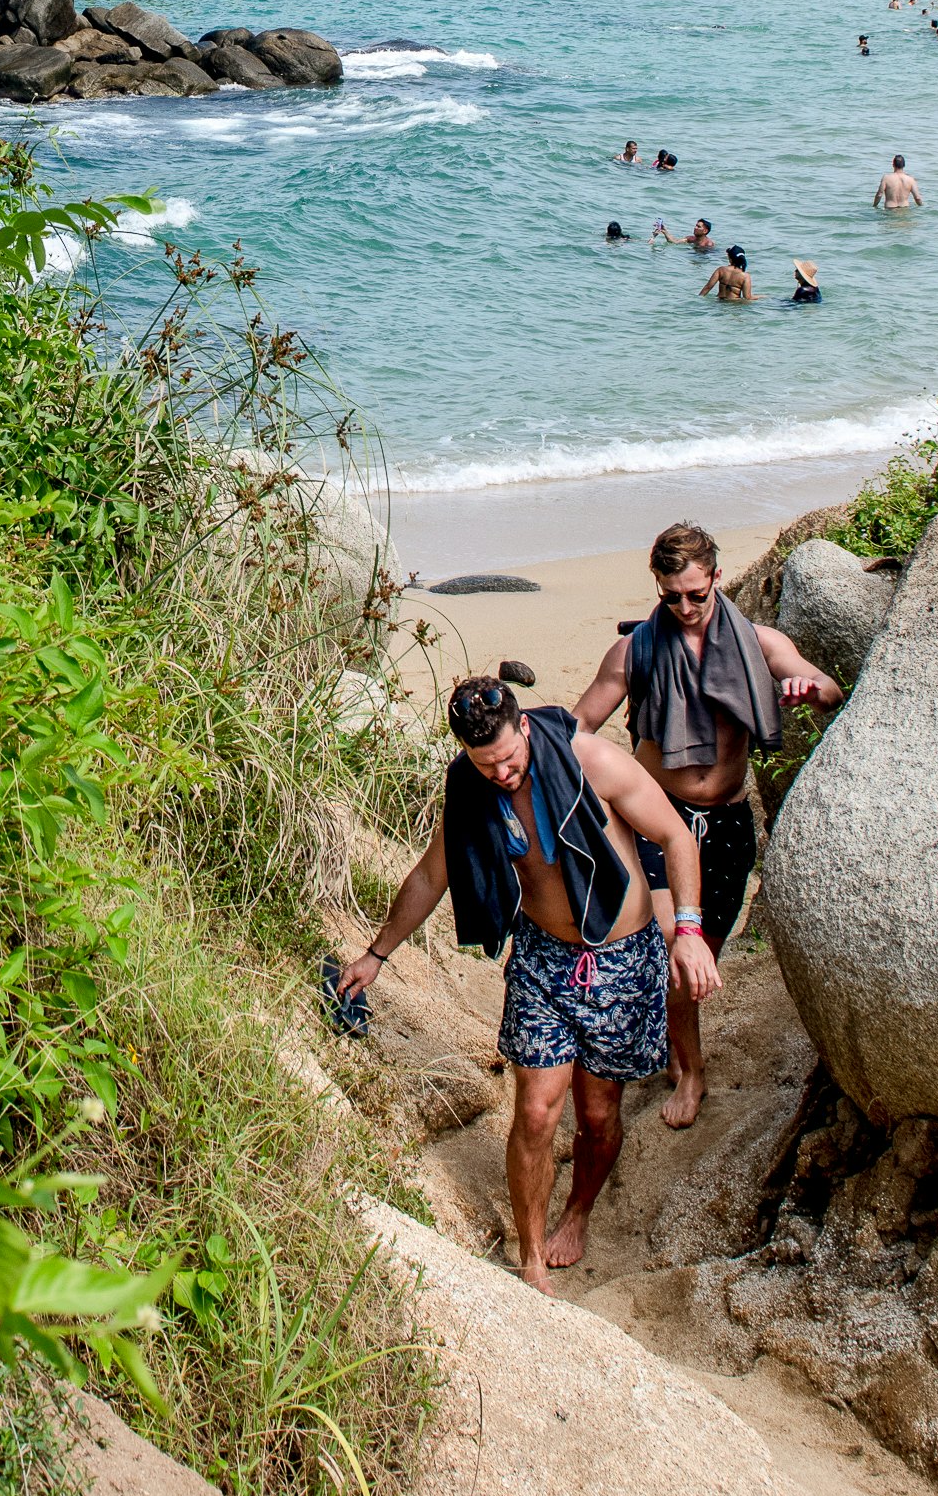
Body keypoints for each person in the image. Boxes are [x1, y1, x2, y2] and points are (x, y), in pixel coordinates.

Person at [334, 672, 718, 1287]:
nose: (503, 774)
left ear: (526, 727)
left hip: (622, 959)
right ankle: (532, 1257)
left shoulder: (589, 759)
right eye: (487, 766)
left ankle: (578, 1210)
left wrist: (691, 933)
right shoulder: (470, 789)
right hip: (543, 961)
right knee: (537, 1113)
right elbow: (432, 877)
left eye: (510, 758)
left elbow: (674, 835)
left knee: (597, 1117)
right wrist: (377, 953)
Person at [575, 523, 840, 1122]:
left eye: (697, 593)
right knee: (679, 947)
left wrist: (806, 688)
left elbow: (830, 688)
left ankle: (675, 1039)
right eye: (673, 597)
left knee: (699, 965)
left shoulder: (758, 641)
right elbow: (578, 731)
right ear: (659, 589)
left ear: (717, 579)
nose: (686, 608)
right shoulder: (634, 650)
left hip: (727, 824)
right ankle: (690, 1074)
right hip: (656, 819)